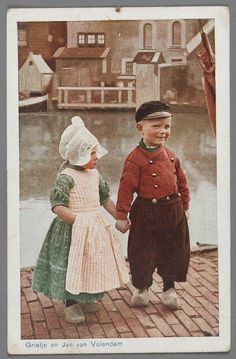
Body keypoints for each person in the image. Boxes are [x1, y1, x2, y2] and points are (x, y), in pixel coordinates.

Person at [32, 116, 130, 324]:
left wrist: (120, 217)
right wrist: (77, 221)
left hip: (93, 228)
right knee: (72, 263)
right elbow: (57, 205)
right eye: (91, 153)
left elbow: (105, 199)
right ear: (77, 155)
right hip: (73, 228)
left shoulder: (94, 175)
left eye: (95, 152)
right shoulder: (66, 177)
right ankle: (71, 303)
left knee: (91, 263)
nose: (96, 157)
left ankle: (86, 296)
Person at [115, 101, 190, 310]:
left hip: (173, 211)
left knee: (173, 250)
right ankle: (141, 288)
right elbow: (125, 189)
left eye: (166, 126)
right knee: (142, 252)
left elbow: (182, 183)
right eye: (156, 126)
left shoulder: (173, 156)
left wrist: (185, 206)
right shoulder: (134, 159)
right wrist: (121, 216)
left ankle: (169, 289)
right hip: (146, 213)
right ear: (141, 128)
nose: (162, 131)